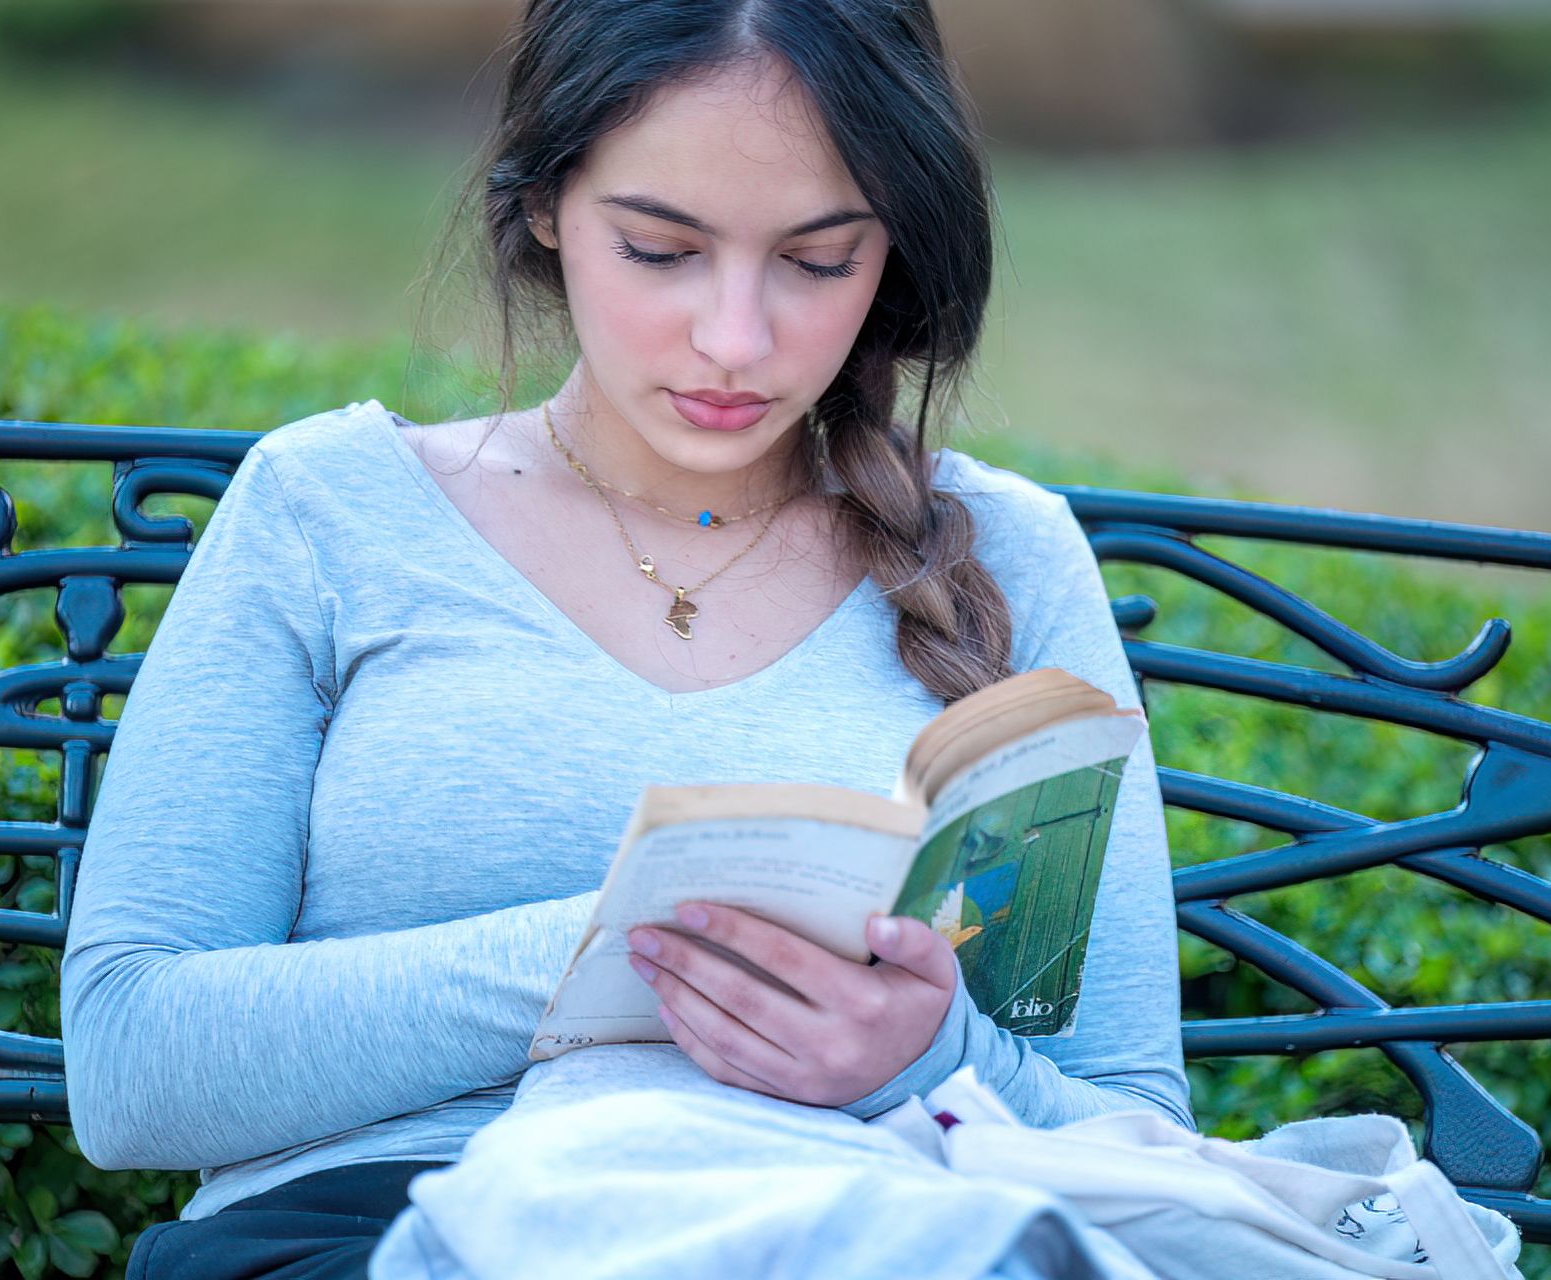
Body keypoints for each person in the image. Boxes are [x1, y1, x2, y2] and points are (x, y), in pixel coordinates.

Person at [59, 1, 1191, 1276]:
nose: (735, 339)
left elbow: (1138, 1130)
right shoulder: (330, 513)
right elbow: (127, 1061)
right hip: (388, 1229)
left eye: (819, 261)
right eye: (661, 248)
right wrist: (622, 951)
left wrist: (928, 1058)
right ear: (546, 201)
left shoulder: (1010, 557)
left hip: (849, 1224)